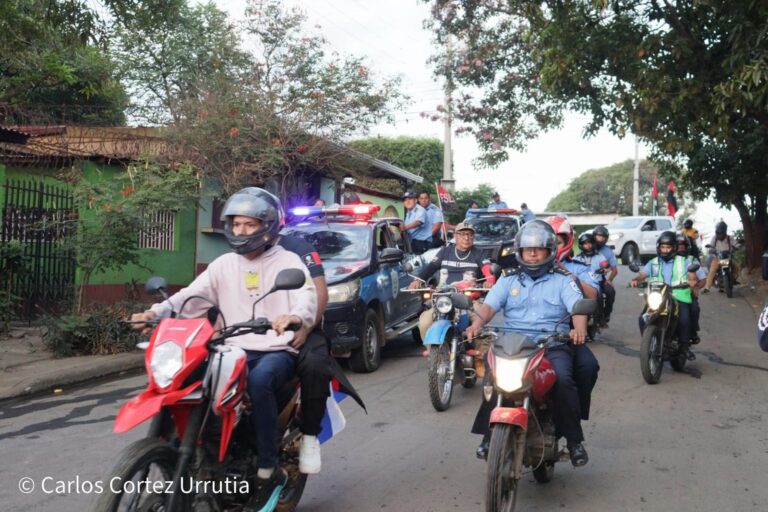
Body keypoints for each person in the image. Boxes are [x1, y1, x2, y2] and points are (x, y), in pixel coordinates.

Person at [130, 187, 316, 510]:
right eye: (236, 224)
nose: (241, 231)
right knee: (190, 381)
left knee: (260, 381)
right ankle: (188, 448)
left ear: (268, 226)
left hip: (274, 349)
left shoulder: (288, 262)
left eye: (250, 224)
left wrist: (294, 317)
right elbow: (190, 297)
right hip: (229, 348)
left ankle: (268, 466)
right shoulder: (224, 264)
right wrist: (155, 313)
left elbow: (306, 297)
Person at [465, 220, 598, 467]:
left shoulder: (563, 279)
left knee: (564, 379)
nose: (533, 254)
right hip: (513, 346)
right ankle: (488, 436)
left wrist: (579, 329)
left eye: (539, 249)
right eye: (528, 249)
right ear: (520, 251)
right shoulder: (508, 279)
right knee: (492, 378)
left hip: (552, 345)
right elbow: (489, 306)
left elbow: (577, 307)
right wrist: (476, 324)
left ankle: (574, 440)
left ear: (550, 251)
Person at [408, 222, 495, 339]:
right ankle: (431, 349)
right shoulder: (445, 251)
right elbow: (431, 267)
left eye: (470, 235)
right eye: (462, 234)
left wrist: (489, 282)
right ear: (455, 236)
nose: (466, 238)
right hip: (444, 299)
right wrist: (418, 280)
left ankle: (482, 349)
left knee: (480, 323)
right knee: (424, 322)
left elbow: (488, 270)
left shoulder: (479, 254)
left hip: (470, 301)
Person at [630, 231, 706, 359]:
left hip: (678, 296)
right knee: (642, 319)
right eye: (663, 247)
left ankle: (684, 347)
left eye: (668, 247)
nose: (665, 250)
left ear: (674, 248)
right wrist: (636, 280)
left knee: (684, 319)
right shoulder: (654, 262)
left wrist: (693, 281)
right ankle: (649, 344)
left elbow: (694, 277)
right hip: (658, 296)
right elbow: (642, 275)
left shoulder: (684, 261)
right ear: (658, 248)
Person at [546, 216, 599, 300]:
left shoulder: (580, 268)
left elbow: (593, 296)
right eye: (549, 243)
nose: (553, 247)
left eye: (558, 243)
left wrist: (568, 274)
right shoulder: (530, 268)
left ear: (567, 243)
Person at [676, 233, 702, 343]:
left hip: (686, 293)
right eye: (678, 246)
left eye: (683, 246)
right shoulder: (667, 260)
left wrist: (696, 287)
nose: (681, 249)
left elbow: (703, 279)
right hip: (668, 292)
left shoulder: (692, 260)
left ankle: (692, 331)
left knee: (694, 308)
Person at [703, 221, 740, 293]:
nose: (719, 235)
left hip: (728, 257)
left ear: (725, 232)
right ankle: (707, 287)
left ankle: (733, 279)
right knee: (712, 271)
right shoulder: (714, 238)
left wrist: (737, 247)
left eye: (721, 233)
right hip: (718, 258)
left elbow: (736, 244)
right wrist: (711, 249)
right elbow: (711, 246)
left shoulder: (730, 238)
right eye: (718, 233)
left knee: (737, 267)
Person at [591, 225, 618, 323]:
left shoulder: (608, 251)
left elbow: (614, 270)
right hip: (585, 279)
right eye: (599, 236)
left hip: (600, 278)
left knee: (611, 291)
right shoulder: (588, 246)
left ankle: (606, 315)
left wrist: (609, 280)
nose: (601, 239)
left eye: (603, 237)